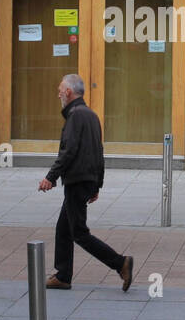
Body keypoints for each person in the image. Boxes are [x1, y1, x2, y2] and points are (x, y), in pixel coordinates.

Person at [38, 74, 134, 291]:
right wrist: (97, 184)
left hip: (77, 180)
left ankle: (120, 263)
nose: (58, 93)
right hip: (86, 180)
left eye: (60, 89)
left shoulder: (75, 116)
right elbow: (99, 151)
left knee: (79, 232)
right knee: (64, 228)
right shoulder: (90, 115)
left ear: (69, 92)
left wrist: (50, 178)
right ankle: (63, 275)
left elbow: (68, 151)